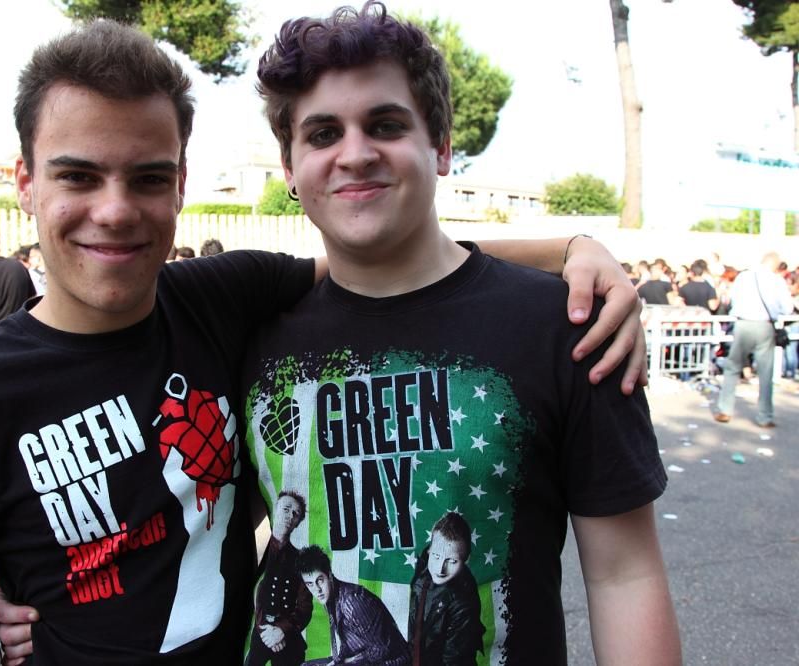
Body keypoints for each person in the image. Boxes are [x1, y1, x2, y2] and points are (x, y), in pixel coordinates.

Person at [0, 17, 647, 666]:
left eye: (148, 178)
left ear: (180, 185)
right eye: (78, 175)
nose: (114, 209)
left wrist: (576, 247)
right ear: (24, 181)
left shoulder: (222, 302)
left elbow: (390, 258)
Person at [238, 3, 679, 664]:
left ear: (441, 147)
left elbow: (625, 575)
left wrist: (578, 247)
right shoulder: (250, 334)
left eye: (386, 125)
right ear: (290, 168)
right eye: (323, 133)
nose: (354, 154)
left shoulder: (564, 325)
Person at [714, 251, 795, 427]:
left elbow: (732, 299)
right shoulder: (777, 281)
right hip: (765, 326)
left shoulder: (744, 277)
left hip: (743, 324)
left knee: (733, 367)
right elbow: (787, 308)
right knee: (765, 372)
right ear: (775, 265)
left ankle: (725, 409)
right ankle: (765, 416)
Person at [296, 545, 410, 665]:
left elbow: (382, 649)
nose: (317, 589)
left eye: (320, 580)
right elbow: (350, 642)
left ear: (329, 575)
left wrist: (349, 661)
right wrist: (338, 661)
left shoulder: (351, 602)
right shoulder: (330, 599)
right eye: (310, 584)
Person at [247, 491, 313, 666]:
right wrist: (266, 632)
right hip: (260, 632)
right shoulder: (255, 547)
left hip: (287, 636)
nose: (290, 516)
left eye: (295, 514)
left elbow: (305, 606)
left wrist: (281, 630)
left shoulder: (300, 560)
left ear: (298, 523)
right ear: (275, 509)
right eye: (286, 509)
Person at [408, 513, 484, 665]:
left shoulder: (463, 604)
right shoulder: (424, 564)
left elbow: (453, 661)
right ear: (429, 550)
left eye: (452, 561)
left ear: (466, 559)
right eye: (436, 556)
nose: (440, 569)